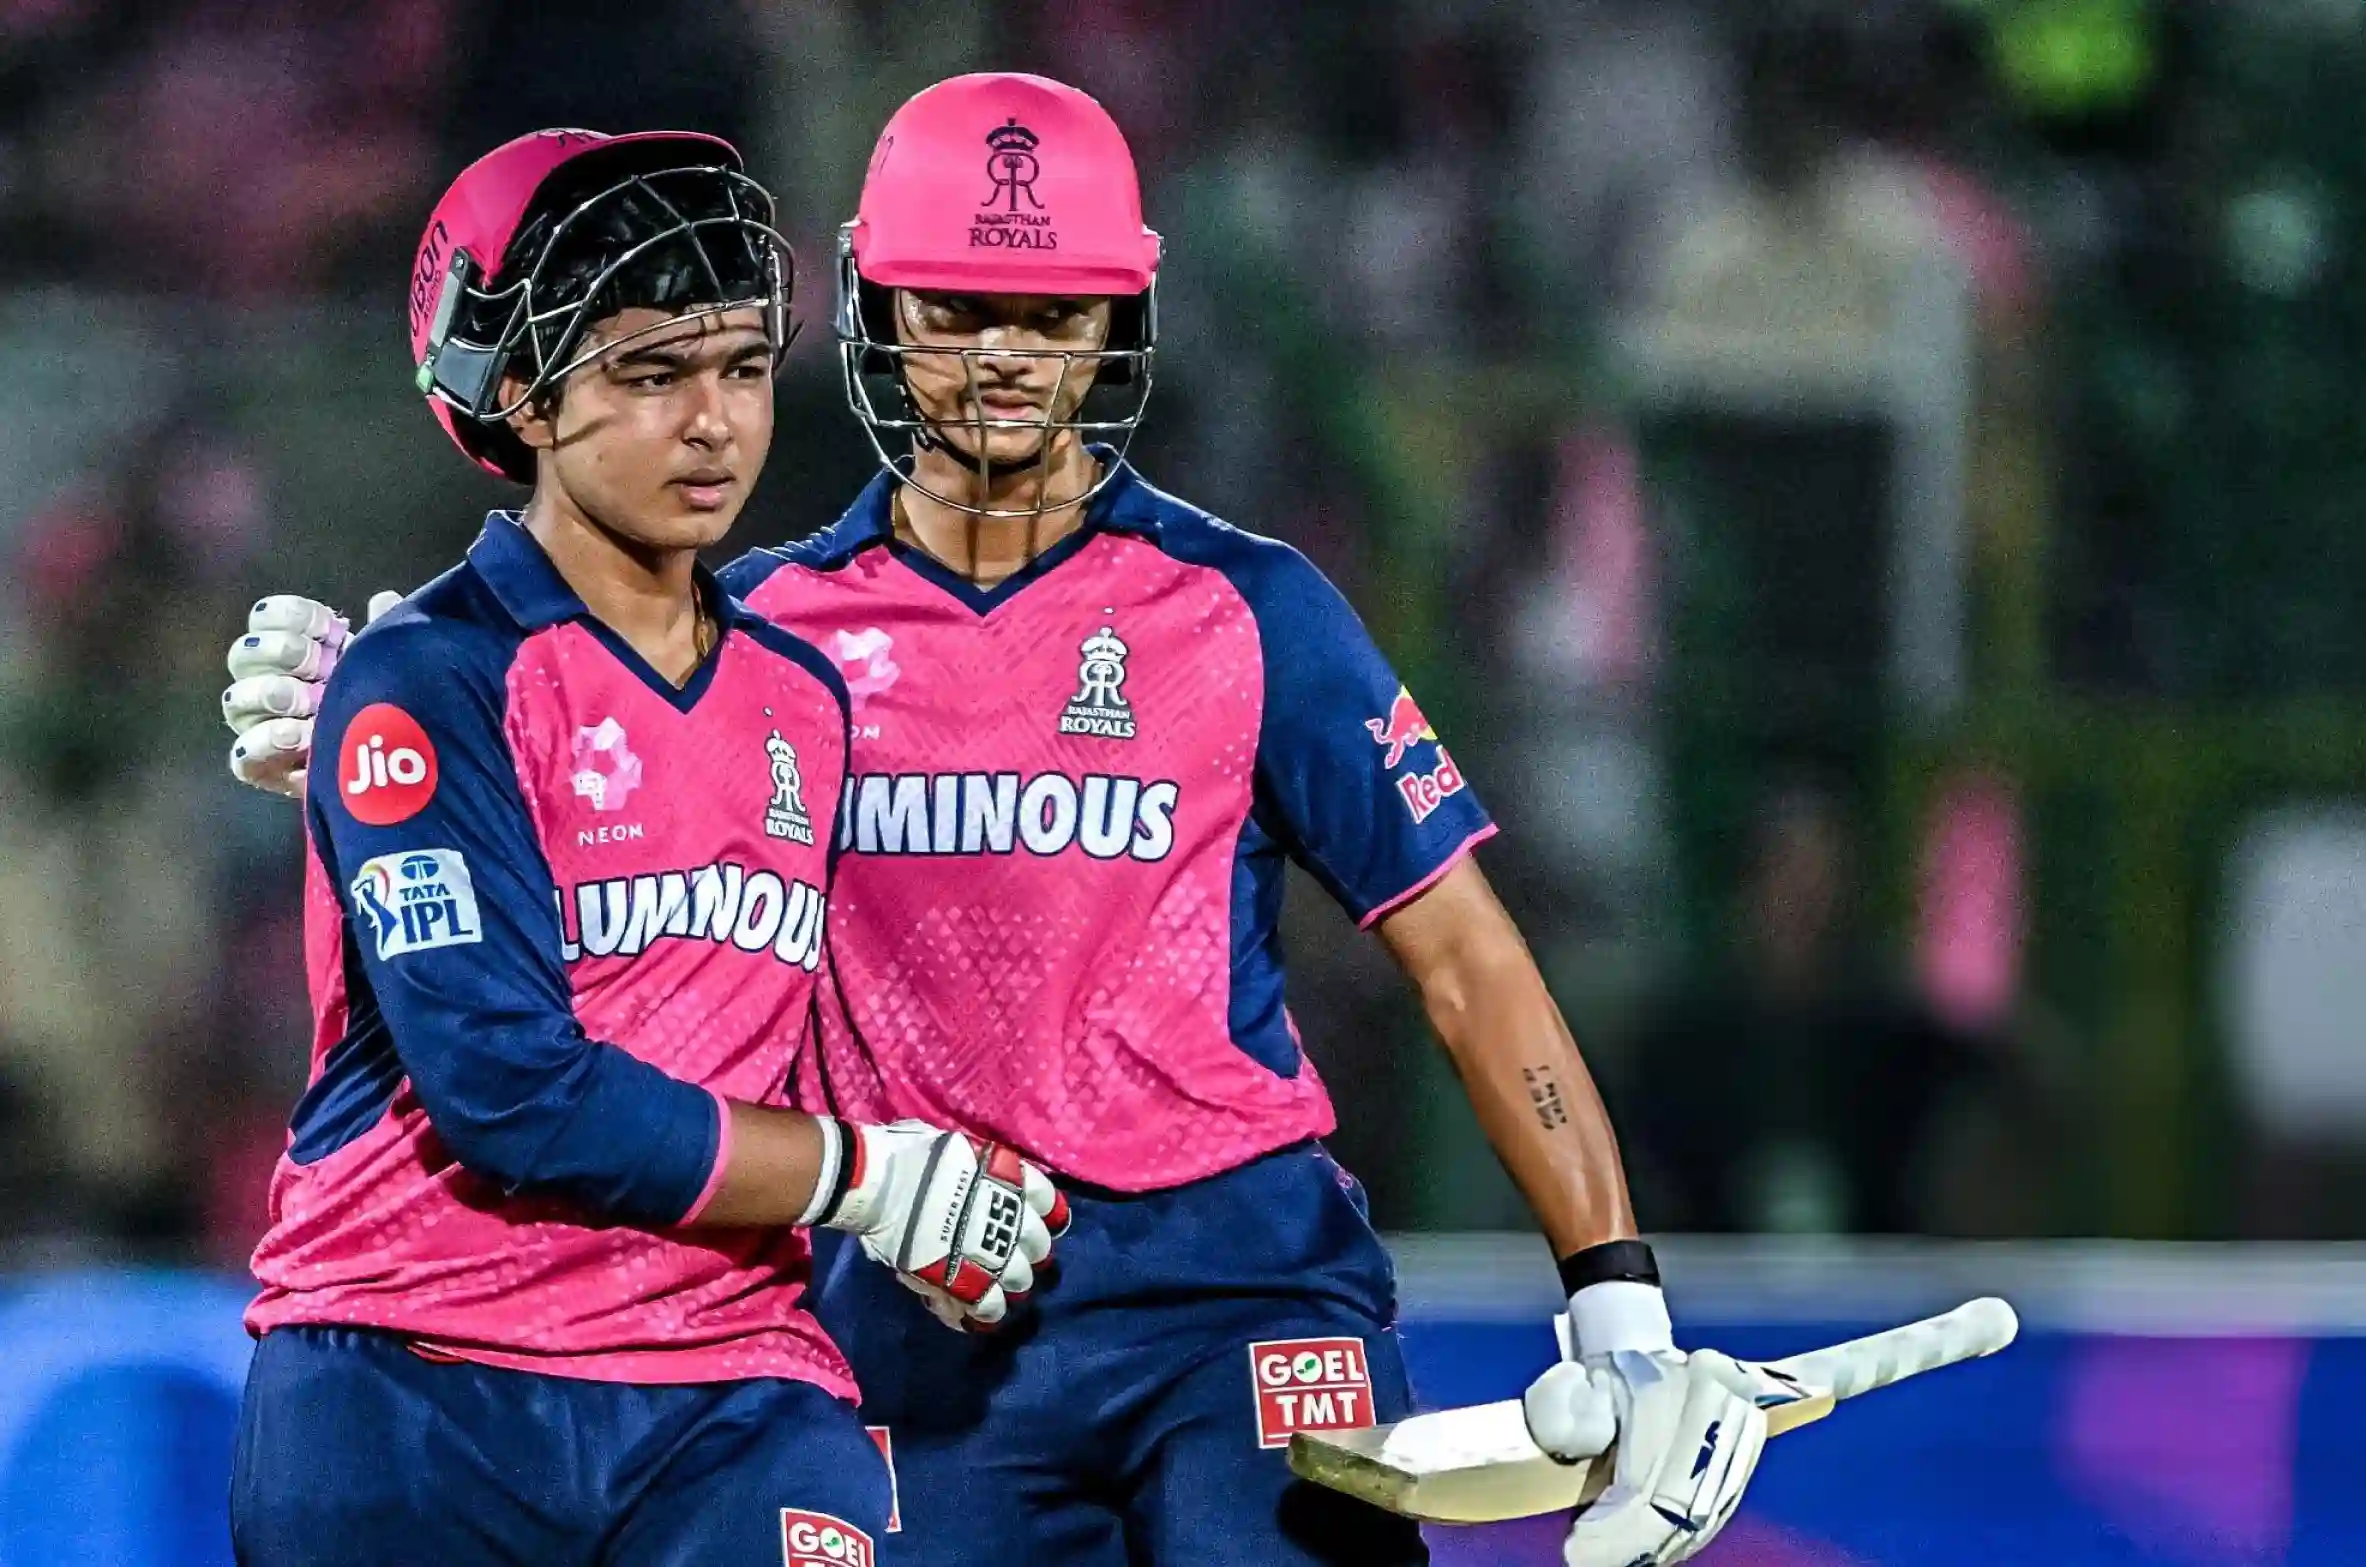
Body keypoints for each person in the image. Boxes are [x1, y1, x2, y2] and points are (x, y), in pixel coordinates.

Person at [223, 78, 1767, 1567]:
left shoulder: (1253, 613)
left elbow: (1470, 964)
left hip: (1239, 1284)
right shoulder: (766, 641)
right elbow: (569, 794)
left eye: (1056, 313)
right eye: (959, 309)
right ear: (878, 308)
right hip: (925, 1298)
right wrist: (382, 722)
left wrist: (1619, 1304)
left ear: (1120, 322)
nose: (1007, 356)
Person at [226, 127, 1067, 1567]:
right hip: (414, 1372)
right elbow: (507, 1089)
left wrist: (946, 1184)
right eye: (652, 371)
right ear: (523, 393)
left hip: (730, 1393)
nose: (715, 423)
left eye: (740, 366)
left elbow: (787, 1034)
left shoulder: (803, 701)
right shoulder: (428, 679)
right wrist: (869, 1178)